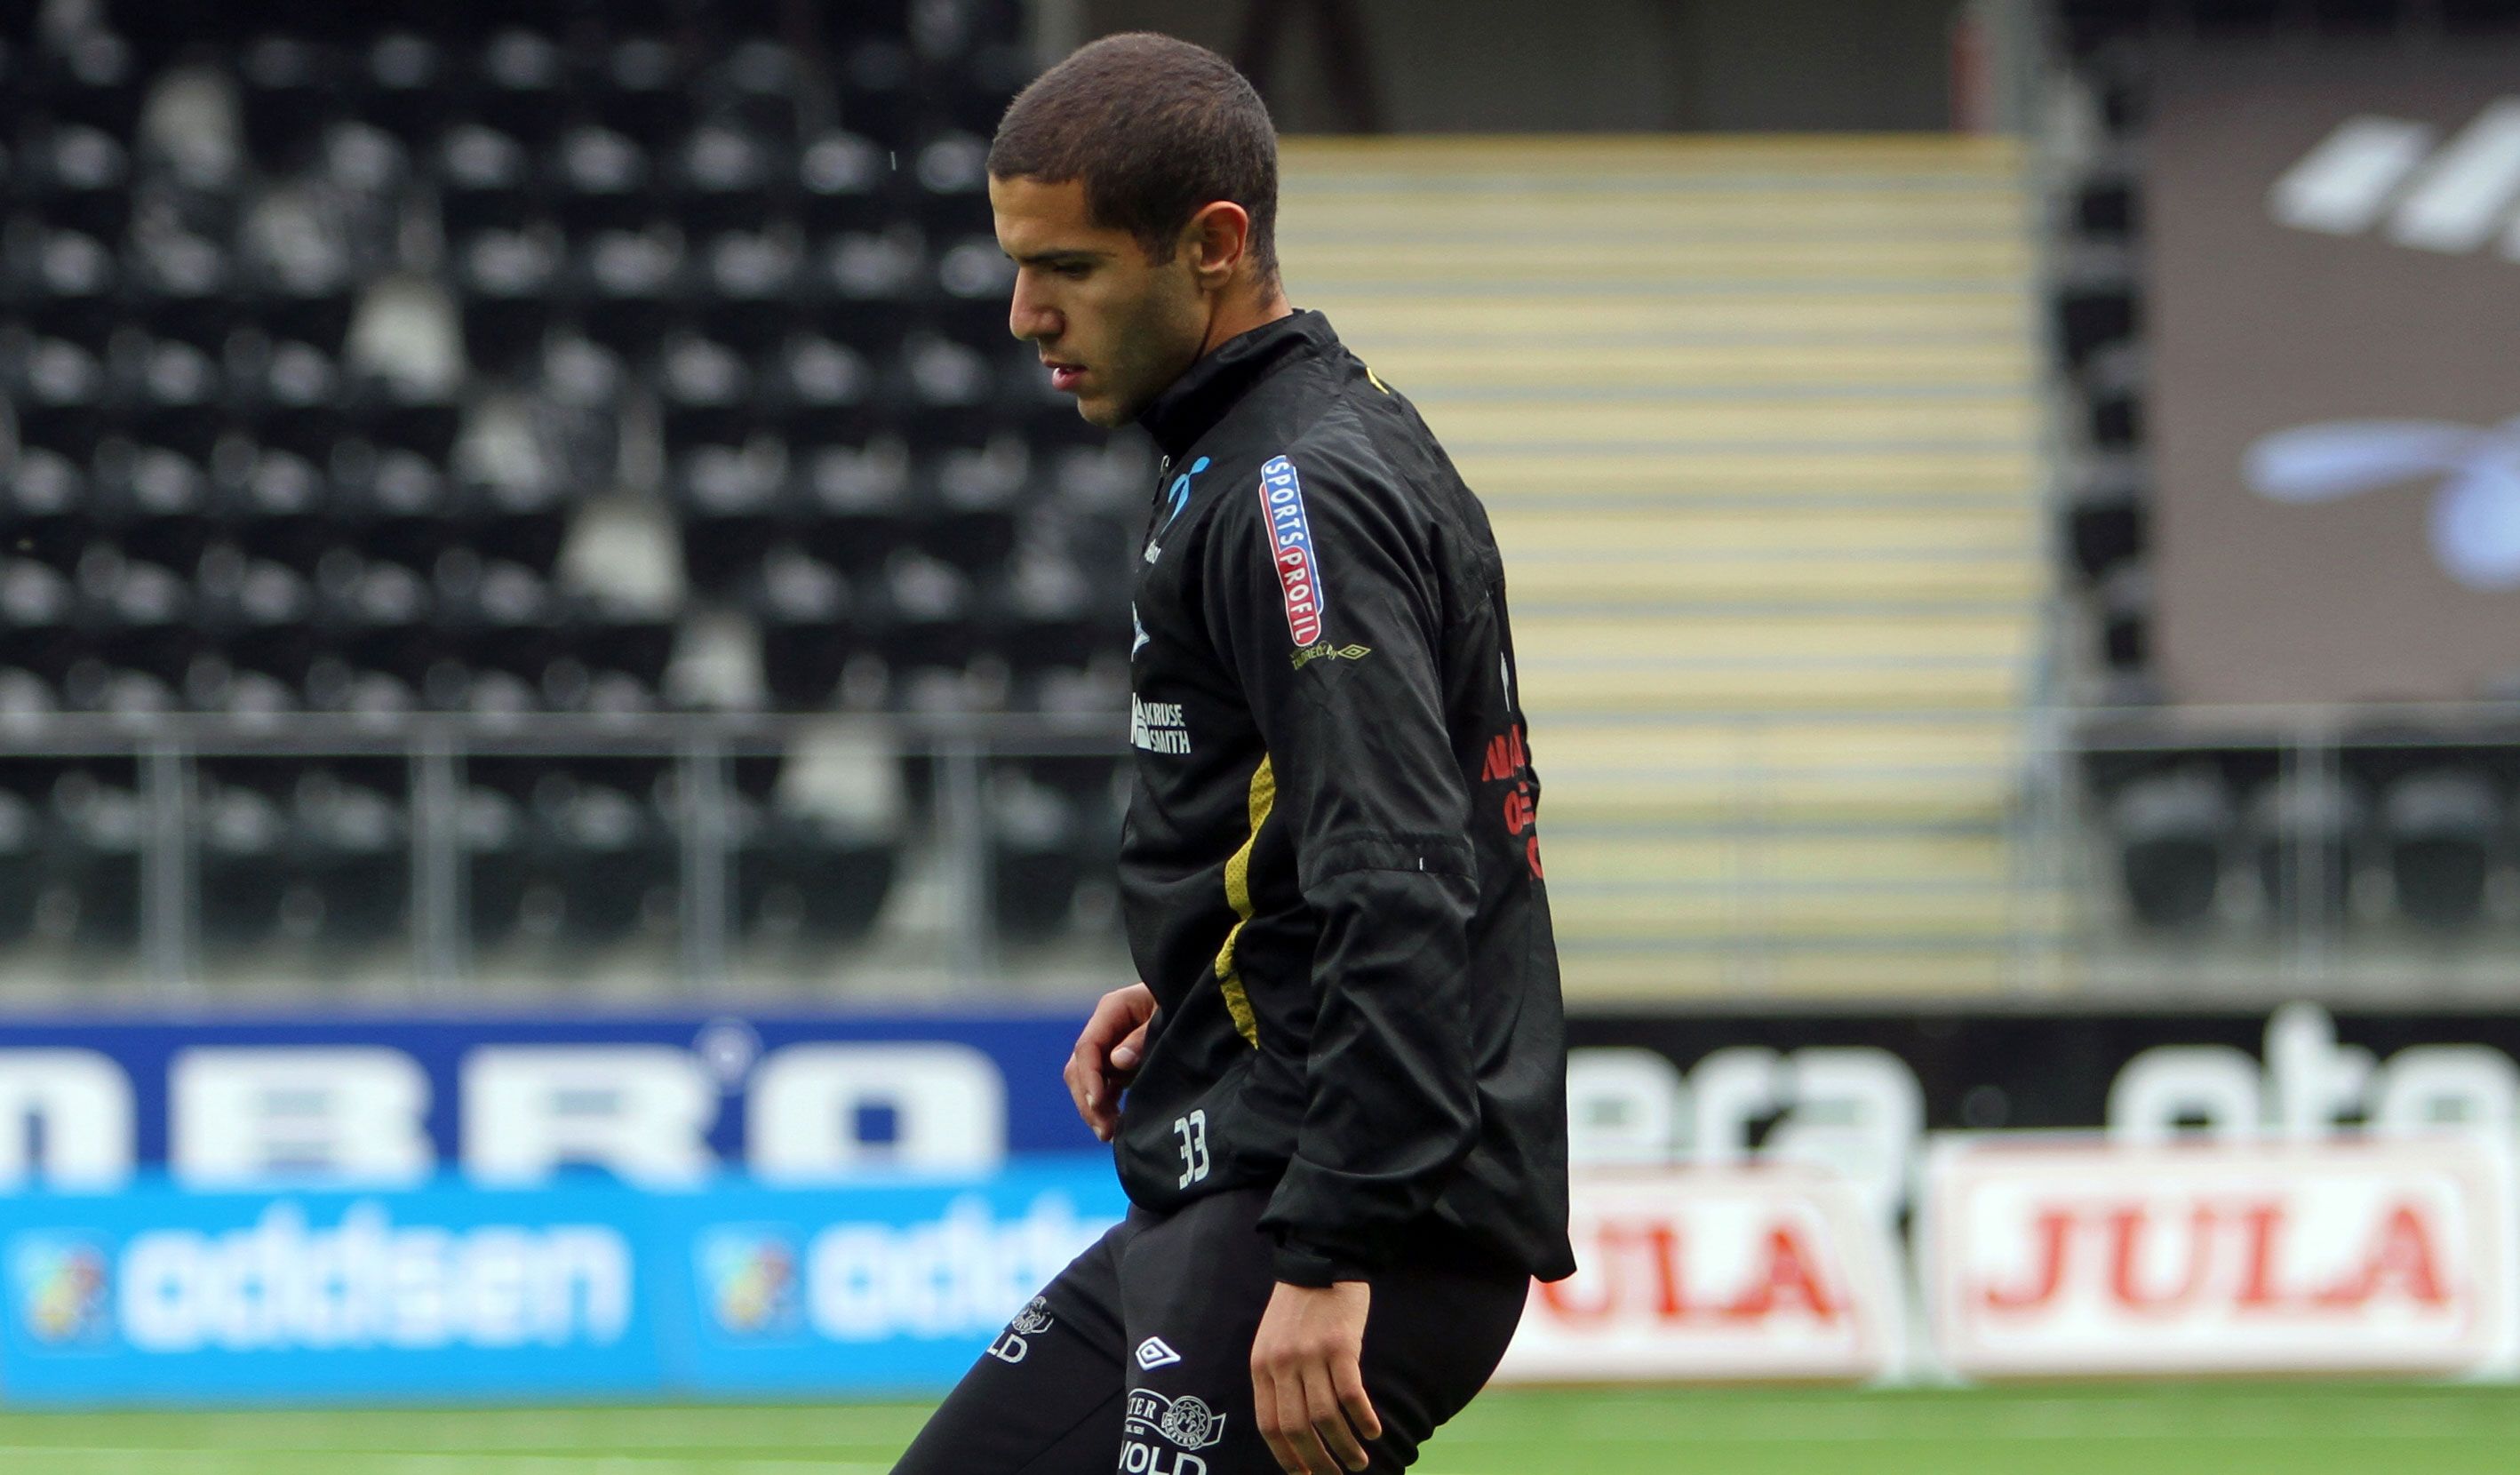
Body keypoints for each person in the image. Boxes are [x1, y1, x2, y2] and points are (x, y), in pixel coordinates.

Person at [891, 32, 1572, 1475]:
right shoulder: (1264, 446)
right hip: (1249, 1167)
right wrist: (1212, 962)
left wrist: (1336, 1245)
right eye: (1017, 266)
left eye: (1067, 268)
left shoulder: (1293, 488)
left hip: (1332, 1207)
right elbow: (1335, 821)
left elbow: (1400, 868)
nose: (1023, 314)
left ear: (1211, 245)